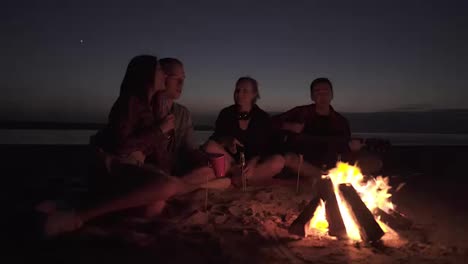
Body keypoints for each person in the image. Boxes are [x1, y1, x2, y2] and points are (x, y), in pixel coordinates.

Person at [40, 55, 229, 236]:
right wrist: (160, 131)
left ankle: (168, 189)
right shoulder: (133, 102)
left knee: (178, 189)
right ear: (151, 75)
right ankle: (77, 214)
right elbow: (121, 145)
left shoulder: (167, 110)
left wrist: (205, 157)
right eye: (170, 76)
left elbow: (165, 156)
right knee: (161, 195)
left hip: (148, 170)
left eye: (183, 79)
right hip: (119, 165)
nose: (180, 83)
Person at [272, 77, 382, 179]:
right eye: (317, 92)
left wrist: (352, 148)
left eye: (326, 91)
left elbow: (343, 147)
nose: (322, 95)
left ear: (332, 95)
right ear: (312, 96)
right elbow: (269, 123)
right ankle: (327, 178)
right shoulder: (300, 112)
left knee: (374, 162)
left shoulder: (341, 121)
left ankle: (326, 177)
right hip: (302, 161)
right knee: (288, 159)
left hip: (330, 162)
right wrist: (288, 126)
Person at [203, 77, 285, 186]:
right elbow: (215, 139)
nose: (239, 94)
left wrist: (253, 162)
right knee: (209, 146)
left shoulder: (262, 118)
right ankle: (238, 177)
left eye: (245, 91)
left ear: (254, 94)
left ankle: (239, 179)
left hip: (254, 165)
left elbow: (269, 147)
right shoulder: (226, 113)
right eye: (237, 90)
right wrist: (226, 140)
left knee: (278, 161)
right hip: (232, 163)